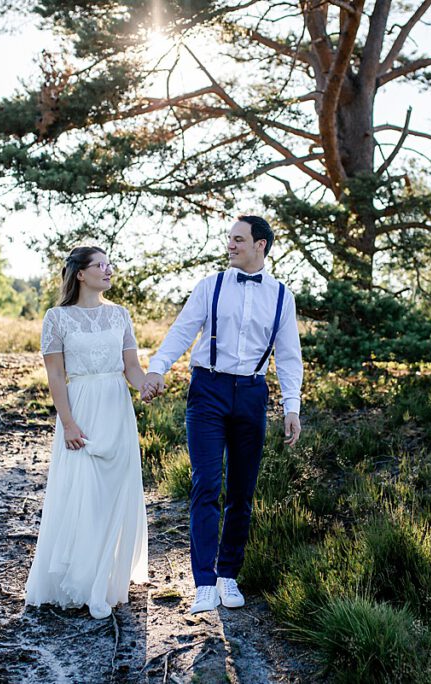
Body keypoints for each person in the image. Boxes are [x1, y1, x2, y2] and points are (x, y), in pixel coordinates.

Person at [141, 215, 303, 614]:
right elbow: (182, 330)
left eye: (238, 239)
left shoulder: (282, 295)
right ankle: (204, 582)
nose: (230, 245)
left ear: (260, 245)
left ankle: (229, 574)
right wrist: (158, 367)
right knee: (206, 485)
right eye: (229, 239)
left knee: (242, 492)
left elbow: (288, 355)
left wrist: (291, 406)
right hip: (208, 391)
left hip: (251, 393)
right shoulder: (210, 285)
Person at [24, 246, 149, 619]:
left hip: (116, 408)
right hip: (80, 408)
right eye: (101, 264)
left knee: (114, 492)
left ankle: (107, 580)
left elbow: (132, 368)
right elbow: (56, 376)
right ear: (81, 274)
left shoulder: (121, 315)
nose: (109, 269)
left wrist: (146, 386)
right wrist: (68, 423)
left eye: (110, 263)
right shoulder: (57, 319)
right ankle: (79, 579)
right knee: (83, 493)